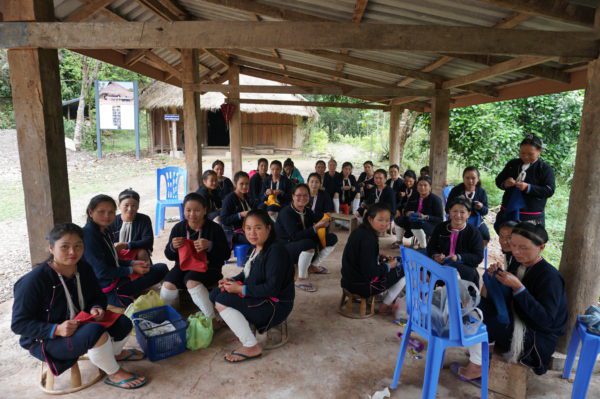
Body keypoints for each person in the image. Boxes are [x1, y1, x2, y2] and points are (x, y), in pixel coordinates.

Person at [12, 223, 147, 389]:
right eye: (65, 247)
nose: (72, 252)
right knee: (95, 332)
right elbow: (19, 324)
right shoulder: (33, 281)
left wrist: (95, 307)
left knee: (124, 322)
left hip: (80, 323)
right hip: (46, 339)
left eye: (78, 246)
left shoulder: (83, 268)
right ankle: (114, 373)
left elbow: (97, 295)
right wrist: (55, 329)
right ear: (51, 248)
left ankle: (113, 354)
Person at [456, 223, 567, 381]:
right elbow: (504, 298)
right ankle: (479, 353)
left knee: (479, 318)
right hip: (517, 319)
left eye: (523, 247)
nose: (516, 251)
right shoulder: (517, 262)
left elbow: (547, 321)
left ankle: (477, 366)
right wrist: (496, 278)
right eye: (513, 245)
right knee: (473, 308)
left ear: (541, 247)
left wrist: (519, 287)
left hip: (535, 340)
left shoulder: (550, 277)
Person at [211, 209, 295, 363]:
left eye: (258, 228)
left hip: (275, 305)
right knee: (216, 293)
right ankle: (238, 319)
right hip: (262, 295)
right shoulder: (256, 247)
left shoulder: (276, 251)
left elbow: (272, 288)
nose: (252, 233)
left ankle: (251, 346)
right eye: (248, 228)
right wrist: (231, 279)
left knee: (221, 300)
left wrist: (240, 289)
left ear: (268, 228)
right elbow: (246, 273)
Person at [83, 195, 168, 307]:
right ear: (90, 212)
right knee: (160, 269)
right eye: (101, 212)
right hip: (108, 288)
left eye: (111, 212)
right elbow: (102, 272)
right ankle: (121, 296)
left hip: (117, 279)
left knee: (158, 267)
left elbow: (112, 260)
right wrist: (131, 270)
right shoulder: (90, 236)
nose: (107, 216)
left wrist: (132, 263)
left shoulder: (103, 231)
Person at [160, 193, 230, 322]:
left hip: (210, 268)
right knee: (168, 285)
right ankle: (171, 316)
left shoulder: (215, 229)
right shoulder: (178, 228)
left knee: (191, 281)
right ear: (184, 210)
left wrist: (210, 246)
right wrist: (172, 247)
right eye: (188, 210)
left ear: (205, 210)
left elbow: (226, 254)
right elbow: (169, 256)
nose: (192, 214)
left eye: (197, 210)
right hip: (182, 266)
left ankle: (212, 319)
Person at [341, 203, 405, 314]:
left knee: (396, 262)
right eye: (380, 220)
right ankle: (385, 305)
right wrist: (389, 266)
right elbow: (370, 272)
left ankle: (387, 297)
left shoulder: (360, 231)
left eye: (387, 220)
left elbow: (360, 256)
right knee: (404, 270)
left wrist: (378, 256)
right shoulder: (369, 239)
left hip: (348, 280)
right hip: (362, 287)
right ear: (370, 219)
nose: (384, 224)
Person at [276, 184, 338, 292]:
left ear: (309, 196)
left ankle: (313, 266)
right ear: (293, 196)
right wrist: (316, 227)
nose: (302, 198)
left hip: (301, 243)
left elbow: (318, 218)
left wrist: (327, 218)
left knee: (332, 238)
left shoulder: (307, 211)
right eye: (298, 195)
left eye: (305, 195)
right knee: (308, 244)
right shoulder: (286, 213)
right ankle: (300, 278)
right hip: (284, 247)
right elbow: (295, 236)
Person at [494, 134, 555, 232]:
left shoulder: (544, 169)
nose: (525, 157)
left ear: (539, 151)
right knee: (506, 242)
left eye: (530, 154)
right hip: (508, 212)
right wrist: (505, 183)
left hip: (531, 218)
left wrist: (528, 187)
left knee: (526, 244)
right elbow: (498, 181)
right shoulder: (512, 164)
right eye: (522, 153)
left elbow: (549, 190)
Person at [427, 196, 484, 285]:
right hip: (441, 265)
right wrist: (436, 256)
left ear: (468, 214)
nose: (458, 215)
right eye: (454, 211)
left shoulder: (474, 233)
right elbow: (431, 247)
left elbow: (478, 256)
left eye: (462, 212)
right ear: (449, 211)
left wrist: (458, 257)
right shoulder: (440, 227)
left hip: (464, 267)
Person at [394, 176, 444, 249]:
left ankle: (423, 247)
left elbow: (440, 219)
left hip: (430, 224)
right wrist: (408, 213)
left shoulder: (436, 200)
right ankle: (399, 241)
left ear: (430, 187)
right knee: (398, 220)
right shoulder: (414, 196)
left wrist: (426, 217)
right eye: (420, 185)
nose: (422, 187)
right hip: (413, 221)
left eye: (425, 185)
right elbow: (406, 210)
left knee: (416, 224)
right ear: (417, 186)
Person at [446, 167, 490, 244]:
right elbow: (447, 209)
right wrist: (458, 204)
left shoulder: (481, 192)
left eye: (473, 178)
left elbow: (485, 211)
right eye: (467, 178)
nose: (470, 181)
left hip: (475, 219)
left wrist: (481, 207)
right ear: (463, 178)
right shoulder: (456, 190)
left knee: (485, 235)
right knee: (462, 234)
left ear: (478, 179)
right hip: (458, 218)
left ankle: (478, 254)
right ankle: (458, 252)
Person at [109, 188, 153, 263]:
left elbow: (148, 241)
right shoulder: (112, 220)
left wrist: (127, 245)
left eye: (134, 206)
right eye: (126, 205)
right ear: (119, 205)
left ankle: (145, 272)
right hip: (116, 252)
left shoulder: (144, 219)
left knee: (142, 252)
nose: (130, 209)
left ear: (138, 206)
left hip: (136, 251)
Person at [221, 171, 253, 247]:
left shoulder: (246, 197)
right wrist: (240, 214)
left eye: (247, 184)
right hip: (234, 233)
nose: (245, 186)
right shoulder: (229, 199)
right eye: (241, 184)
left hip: (247, 229)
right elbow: (224, 220)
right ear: (235, 184)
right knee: (256, 239)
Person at [392, 169, 418, 249]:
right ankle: (399, 241)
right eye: (406, 181)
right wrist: (398, 209)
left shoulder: (418, 189)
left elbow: (417, 203)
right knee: (397, 216)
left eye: (410, 181)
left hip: (415, 212)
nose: (408, 183)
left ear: (414, 180)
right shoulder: (403, 187)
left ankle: (417, 241)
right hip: (404, 210)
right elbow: (399, 201)